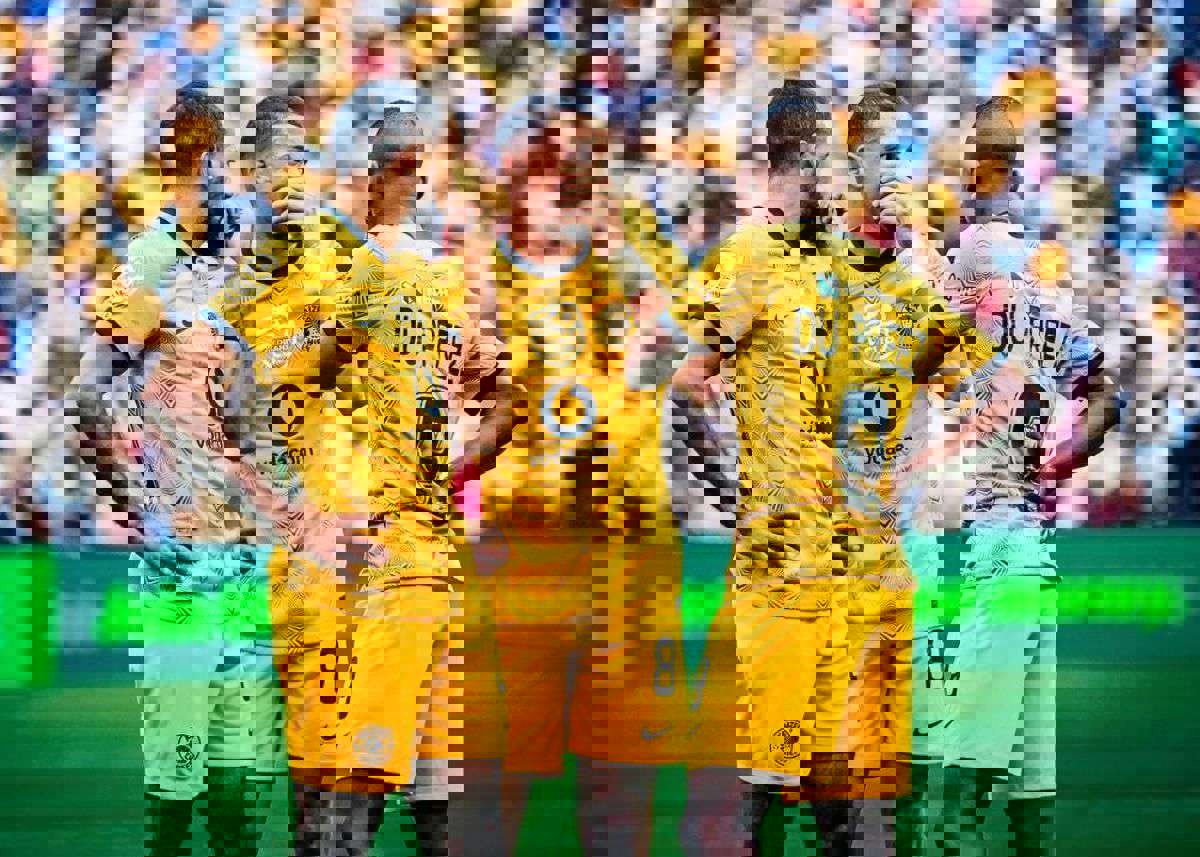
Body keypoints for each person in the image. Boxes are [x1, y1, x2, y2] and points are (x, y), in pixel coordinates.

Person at [218, 95, 492, 857]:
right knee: (343, 765)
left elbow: (474, 387)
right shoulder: (293, 266)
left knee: (397, 760)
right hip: (344, 539)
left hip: (387, 537)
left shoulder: (414, 270)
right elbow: (247, 387)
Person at [884, 94, 1119, 857]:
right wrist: (1069, 453)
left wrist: (1068, 448)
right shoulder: (1030, 308)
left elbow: (918, 363)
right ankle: (961, 833)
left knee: (992, 733)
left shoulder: (985, 291)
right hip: (1013, 533)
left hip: (1003, 532)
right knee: (1019, 743)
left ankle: (948, 836)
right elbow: (1105, 393)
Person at [87, 83, 275, 857]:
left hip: (239, 539)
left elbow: (263, 386)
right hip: (183, 542)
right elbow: (95, 390)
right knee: (181, 766)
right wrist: (137, 509)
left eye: (206, 155)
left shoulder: (246, 253)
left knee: (235, 765)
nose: (200, 172)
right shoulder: (150, 258)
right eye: (187, 157)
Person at [668, 79, 852, 857]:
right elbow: (687, 386)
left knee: (838, 772)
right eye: (829, 155)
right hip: (777, 550)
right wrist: (734, 498)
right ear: (795, 155)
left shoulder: (833, 263)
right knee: (770, 773)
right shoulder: (749, 258)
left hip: (836, 547)